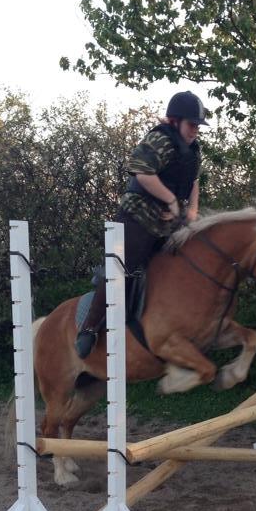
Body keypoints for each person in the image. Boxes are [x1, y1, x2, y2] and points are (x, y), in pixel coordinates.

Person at [76, 90, 208, 357]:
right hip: (138, 217)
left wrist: (192, 210)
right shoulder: (159, 139)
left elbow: (194, 183)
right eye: (192, 124)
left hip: (168, 223)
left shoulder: (193, 150)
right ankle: (89, 328)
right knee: (121, 267)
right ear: (175, 121)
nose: (195, 130)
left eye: (197, 126)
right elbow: (143, 173)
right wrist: (172, 201)